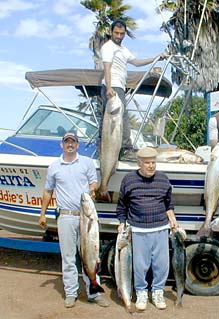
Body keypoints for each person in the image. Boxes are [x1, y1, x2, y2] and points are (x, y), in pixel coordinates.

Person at [38, 132, 109, 309]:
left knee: (90, 255)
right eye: (66, 141)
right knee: (68, 257)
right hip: (66, 216)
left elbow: (94, 183)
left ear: (77, 145)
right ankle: (71, 293)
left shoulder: (86, 163)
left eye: (73, 142)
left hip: (86, 216)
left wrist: (92, 190)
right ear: (62, 145)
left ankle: (94, 292)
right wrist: (42, 214)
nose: (70, 144)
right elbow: (48, 191)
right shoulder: (54, 166)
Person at [116, 147, 178, 311]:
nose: (151, 166)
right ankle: (141, 292)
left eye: (153, 162)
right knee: (140, 265)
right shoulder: (129, 180)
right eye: (147, 163)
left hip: (161, 228)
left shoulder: (163, 179)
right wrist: (122, 223)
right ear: (139, 163)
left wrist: (172, 219)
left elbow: (168, 204)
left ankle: (158, 292)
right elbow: (122, 205)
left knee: (161, 264)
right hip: (138, 230)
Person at [100, 19, 165, 156]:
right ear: (111, 32)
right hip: (113, 86)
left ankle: (120, 148)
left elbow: (136, 62)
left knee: (120, 118)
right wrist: (109, 88)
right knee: (119, 118)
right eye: (116, 33)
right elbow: (107, 67)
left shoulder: (123, 50)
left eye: (122, 34)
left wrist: (155, 58)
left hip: (120, 87)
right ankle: (124, 148)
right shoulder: (108, 47)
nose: (119, 36)